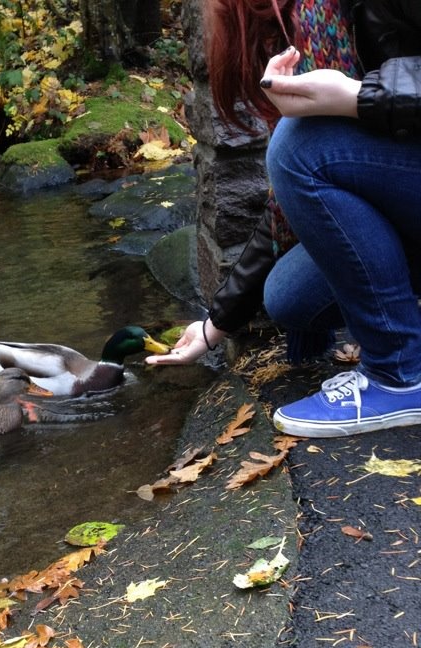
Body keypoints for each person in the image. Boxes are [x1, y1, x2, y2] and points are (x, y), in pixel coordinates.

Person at [147, 0, 421, 438]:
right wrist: (216, 323)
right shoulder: (303, 21)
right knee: (290, 296)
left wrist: (358, 99)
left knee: (299, 148)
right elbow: (288, 205)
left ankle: (399, 375)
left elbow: (304, 160)